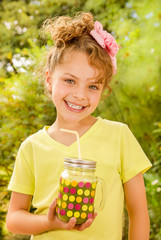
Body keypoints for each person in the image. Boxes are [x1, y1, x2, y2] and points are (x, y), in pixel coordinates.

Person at [6, 12, 152, 240]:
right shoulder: (32, 147)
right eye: (70, 81)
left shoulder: (119, 135)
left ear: (103, 89)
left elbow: (139, 212)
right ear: (49, 79)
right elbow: (14, 219)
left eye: (93, 86)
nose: (80, 95)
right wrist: (49, 222)